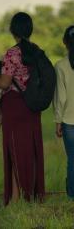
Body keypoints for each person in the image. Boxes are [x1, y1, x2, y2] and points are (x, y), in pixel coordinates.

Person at [0, 12, 45, 205]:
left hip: (14, 105)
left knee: (13, 150)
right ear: (30, 30)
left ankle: (15, 198)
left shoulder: (12, 53)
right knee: (32, 150)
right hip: (33, 106)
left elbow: (4, 83)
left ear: (13, 30)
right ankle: (31, 196)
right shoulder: (37, 52)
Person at [53, 25, 74, 200]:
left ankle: (72, 198)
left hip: (69, 121)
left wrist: (58, 121)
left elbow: (61, 97)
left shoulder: (60, 66)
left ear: (64, 43)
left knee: (73, 160)